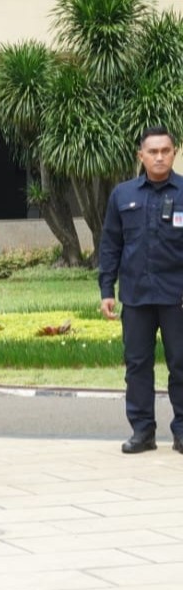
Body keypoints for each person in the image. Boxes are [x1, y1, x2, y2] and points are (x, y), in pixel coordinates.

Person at [99, 125, 183, 455]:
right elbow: (110, 245)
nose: (159, 157)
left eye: (165, 150)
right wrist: (107, 289)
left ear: (174, 152)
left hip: (177, 297)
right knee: (136, 366)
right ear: (141, 155)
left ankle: (181, 431)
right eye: (153, 151)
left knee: (181, 365)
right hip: (135, 296)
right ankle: (142, 431)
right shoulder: (123, 195)